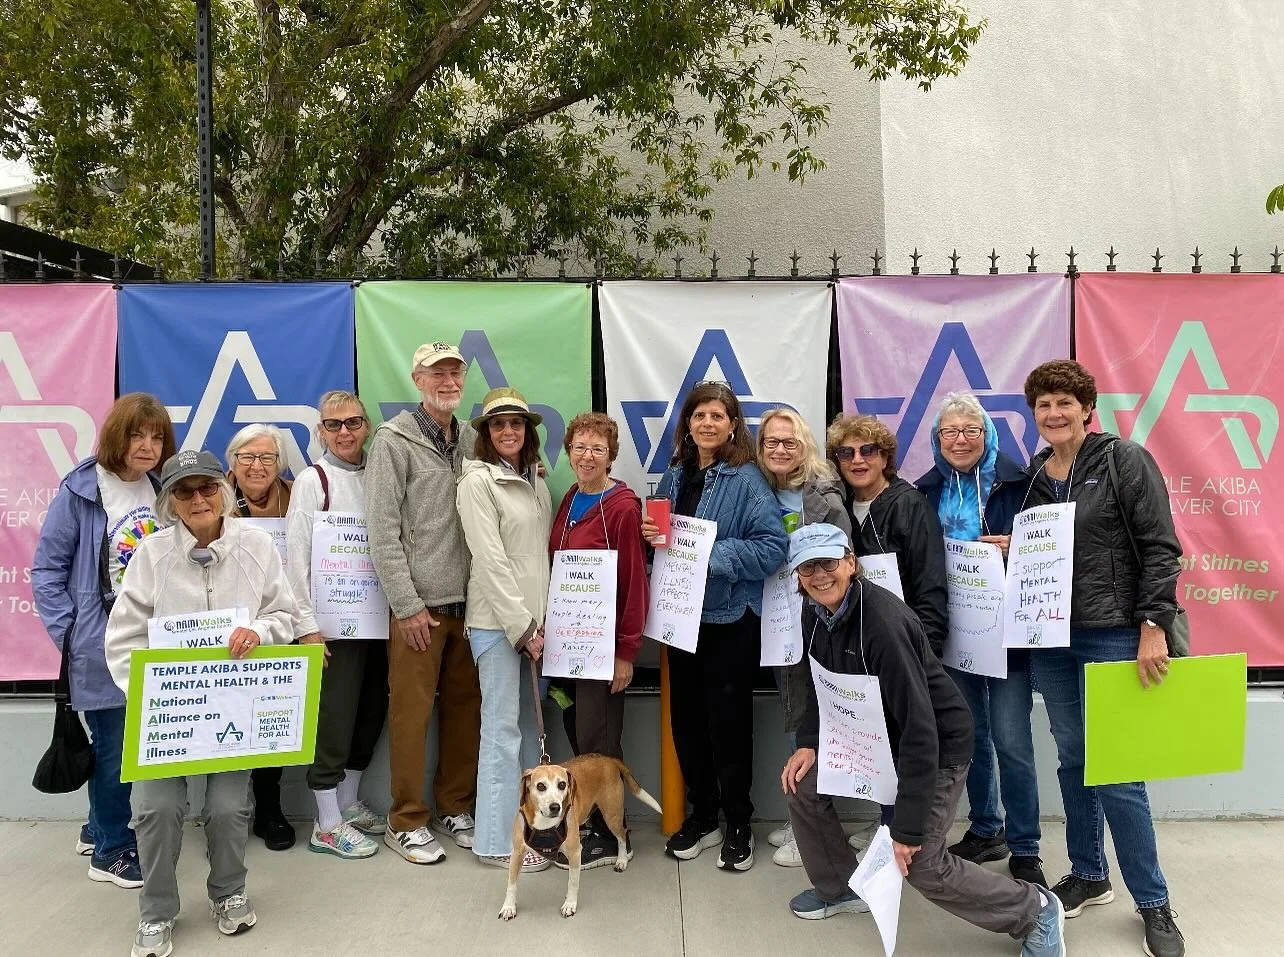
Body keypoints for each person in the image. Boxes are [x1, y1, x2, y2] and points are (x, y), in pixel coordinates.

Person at [779, 524, 1065, 957]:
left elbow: (919, 729)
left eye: (828, 563)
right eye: (807, 567)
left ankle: (1033, 910)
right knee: (804, 784)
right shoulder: (813, 610)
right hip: (871, 736)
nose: (819, 575)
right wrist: (809, 741)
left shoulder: (883, 625)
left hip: (935, 745)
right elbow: (819, 680)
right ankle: (839, 888)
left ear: (851, 563)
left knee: (921, 863)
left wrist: (907, 828)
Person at [1022, 359, 1186, 957]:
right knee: (1073, 760)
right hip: (1053, 639)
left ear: (1085, 407)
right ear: (1033, 414)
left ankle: (1153, 904)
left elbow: (1161, 547)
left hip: (1114, 633)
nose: (1054, 413)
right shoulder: (1037, 476)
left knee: (1118, 773)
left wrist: (1152, 626)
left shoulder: (1124, 459)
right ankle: (1090, 874)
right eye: (1043, 404)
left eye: (1064, 402)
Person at [103, 450, 294, 957]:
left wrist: (259, 631)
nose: (198, 499)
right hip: (168, 713)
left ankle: (229, 893)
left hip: (233, 708)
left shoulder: (256, 545)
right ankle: (157, 911)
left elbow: (284, 613)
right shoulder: (151, 553)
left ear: (224, 490)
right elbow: (123, 637)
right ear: (170, 502)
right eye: (184, 492)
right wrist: (151, 692)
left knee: (230, 807)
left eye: (207, 487)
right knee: (155, 809)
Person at [641, 381, 788, 872]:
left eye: (717, 416)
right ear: (687, 424)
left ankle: (738, 822)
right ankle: (703, 814)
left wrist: (710, 553)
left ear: (732, 426)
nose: (707, 423)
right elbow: (661, 543)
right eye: (698, 415)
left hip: (728, 621)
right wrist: (651, 536)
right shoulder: (676, 475)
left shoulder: (747, 479)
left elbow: (772, 549)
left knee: (728, 726)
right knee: (686, 723)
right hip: (679, 619)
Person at [32, 393, 176, 889]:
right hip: (101, 644)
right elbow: (47, 570)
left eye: (157, 437)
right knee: (116, 748)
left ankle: (97, 828)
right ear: (117, 435)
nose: (148, 446)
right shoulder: (81, 490)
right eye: (138, 435)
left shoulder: (161, 488)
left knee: (126, 744)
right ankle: (112, 849)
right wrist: (70, 634)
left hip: (153, 639)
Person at [914, 393, 1044, 887]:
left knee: (1012, 739)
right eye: (950, 431)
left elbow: (1051, 544)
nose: (960, 439)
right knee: (969, 737)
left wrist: (1019, 546)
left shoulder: (1021, 482)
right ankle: (986, 827)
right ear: (936, 440)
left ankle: (1025, 844)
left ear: (987, 436)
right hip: (952, 633)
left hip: (1006, 631)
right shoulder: (926, 491)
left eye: (971, 430)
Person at [366, 341, 483, 864]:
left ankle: (455, 806)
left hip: (474, 606)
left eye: (455, 372)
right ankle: (406, 818)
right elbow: (382, 532)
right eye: (437, 373)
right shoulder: (393, 441)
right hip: (421, 610)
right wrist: (407, 605)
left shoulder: (475, 440)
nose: (448, 381)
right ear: (417, 379)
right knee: (410, 717)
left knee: (465, 713)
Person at [286, 392, 389, 859]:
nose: (344, 432)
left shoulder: (380, 473)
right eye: (333, 425)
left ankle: (347, 806)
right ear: (321, 432)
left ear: (367, 425)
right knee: (333, 719)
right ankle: (325, 822)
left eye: (352, 423)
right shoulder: (314, 480)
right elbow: (296, 560)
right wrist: (307, 627)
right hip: (332, 627)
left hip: (380, 619)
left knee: (369, 714)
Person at [546, 412, 649, 869]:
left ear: (611, 456)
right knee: (575, 731)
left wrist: (626, 653)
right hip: (567, 647)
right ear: (568, 451)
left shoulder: (623, 506)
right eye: (580, 447)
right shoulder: (570, 499)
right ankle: (587, 820)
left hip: (601, 650)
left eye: (598, 449)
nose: (587, 456)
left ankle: (613, 834)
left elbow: (634, 583)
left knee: (600, 740)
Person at [456, 387, 553, 874]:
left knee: (529, 729)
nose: (509, 431)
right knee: (500, 734)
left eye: (516, 423)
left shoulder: (535, 482)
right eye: (498, 425)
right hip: (498, 627)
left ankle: (527, 830)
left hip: (534, 627)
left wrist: (544, 622)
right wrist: (521, 627)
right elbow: (490, 561)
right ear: (487, 435)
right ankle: (495, 842)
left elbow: (541, 560)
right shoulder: (477, 483)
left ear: (528, 431)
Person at [755, 406, 851, 868]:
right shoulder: (756, 488)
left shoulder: (823, 492)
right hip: (776, 621)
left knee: (816, 721)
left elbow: (839, 559)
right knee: (798, 713)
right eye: (771, 442)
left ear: (805, 446)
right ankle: (804, 818)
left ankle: (813, 826)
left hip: (816, 620)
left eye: (789, 441)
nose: (779, 449)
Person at [225, 423, 296, 851]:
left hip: (278, 624)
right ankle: (230, 810)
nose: (257, 466)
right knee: (231, 721)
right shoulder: (213, 499)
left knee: (271, 722)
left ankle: (270, 808)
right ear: (232, 463)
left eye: (267, 458)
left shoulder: (295, 498)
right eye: (247, 457)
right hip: (228, 632)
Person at [826, 413, 948, 654]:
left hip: (905, 646)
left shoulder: (910, 505)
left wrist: (923, 655)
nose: (857, 460)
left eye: (868, 450)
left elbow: (930, 586)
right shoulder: (838, 510)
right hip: (855, 647)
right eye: (846, 453)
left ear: (885, 459)